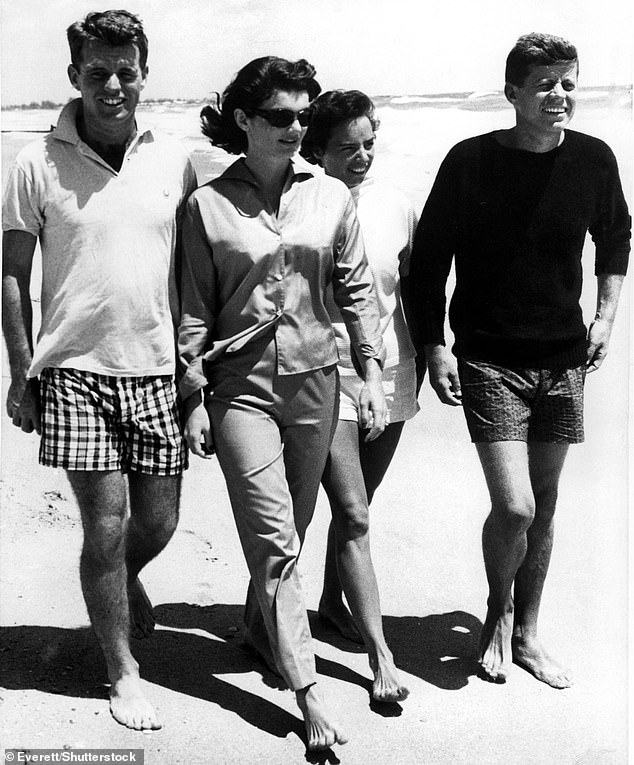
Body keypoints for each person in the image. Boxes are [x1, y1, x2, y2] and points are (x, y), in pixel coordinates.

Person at [406, 33, 630, 688]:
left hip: (564, 360)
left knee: (548, 499)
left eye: (569, 82)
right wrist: (435, 343)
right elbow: (431, 261)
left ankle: (528, 630)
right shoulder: (470, 161)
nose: (560, 96)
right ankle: (496, 611)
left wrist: (606, 317)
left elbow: (617, 236)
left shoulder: (593, 159)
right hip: (489, 359)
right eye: (545, 85)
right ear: (512, 94)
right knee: (516, 507)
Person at [178, 56, 387, 751]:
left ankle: (259, 628)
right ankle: (310, 695)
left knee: (290, 536)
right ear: (243, 119)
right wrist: (195, 398)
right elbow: (192, 315)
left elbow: (357, 291)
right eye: (279, 116)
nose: (296, 127)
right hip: (240, 390)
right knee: (273, 540)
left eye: (303, 115)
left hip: (316, 383)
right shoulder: (205, 206)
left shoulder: (330, 195)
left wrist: (372, 373)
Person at [2, 10, 197, 730]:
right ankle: (122, 670)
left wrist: (191, 369)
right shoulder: (36, 161)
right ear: (73, 76)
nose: (113, 85)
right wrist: (22, 372)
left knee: (161, 519)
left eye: (126, 70)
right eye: (97, 72)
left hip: (154, 367)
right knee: (106, 529)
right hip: (75, 370)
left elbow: (191, 272)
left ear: (144, 72)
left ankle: (115, 582)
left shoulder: (172, 159)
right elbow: (13, 278)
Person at [301, 90, 418, 702]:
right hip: (324, 378)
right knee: (353, 513)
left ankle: (326, 604)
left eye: (370, 143)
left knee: (358, 505)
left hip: (391, 373)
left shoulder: (398, 205)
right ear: (318, 149)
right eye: (348, 147)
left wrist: (438, 352)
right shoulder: (301, 205)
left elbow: (420, 288)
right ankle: (380, 656)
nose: (362, 156)